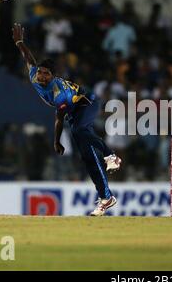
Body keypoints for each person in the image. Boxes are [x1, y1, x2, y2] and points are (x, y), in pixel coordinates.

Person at [12, 23, 121, 216]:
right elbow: (28, 58)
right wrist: (20, 42)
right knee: (88, 157)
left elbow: (59, 119)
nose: (42, 76)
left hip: (87, 103)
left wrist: (56, 141)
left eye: (46, 74)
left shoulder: (58, 94)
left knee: (79, 131)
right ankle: (106, 198)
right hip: (74, 113)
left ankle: (111, 155)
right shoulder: (33, 75)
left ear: (53, 76)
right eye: (40, 72)